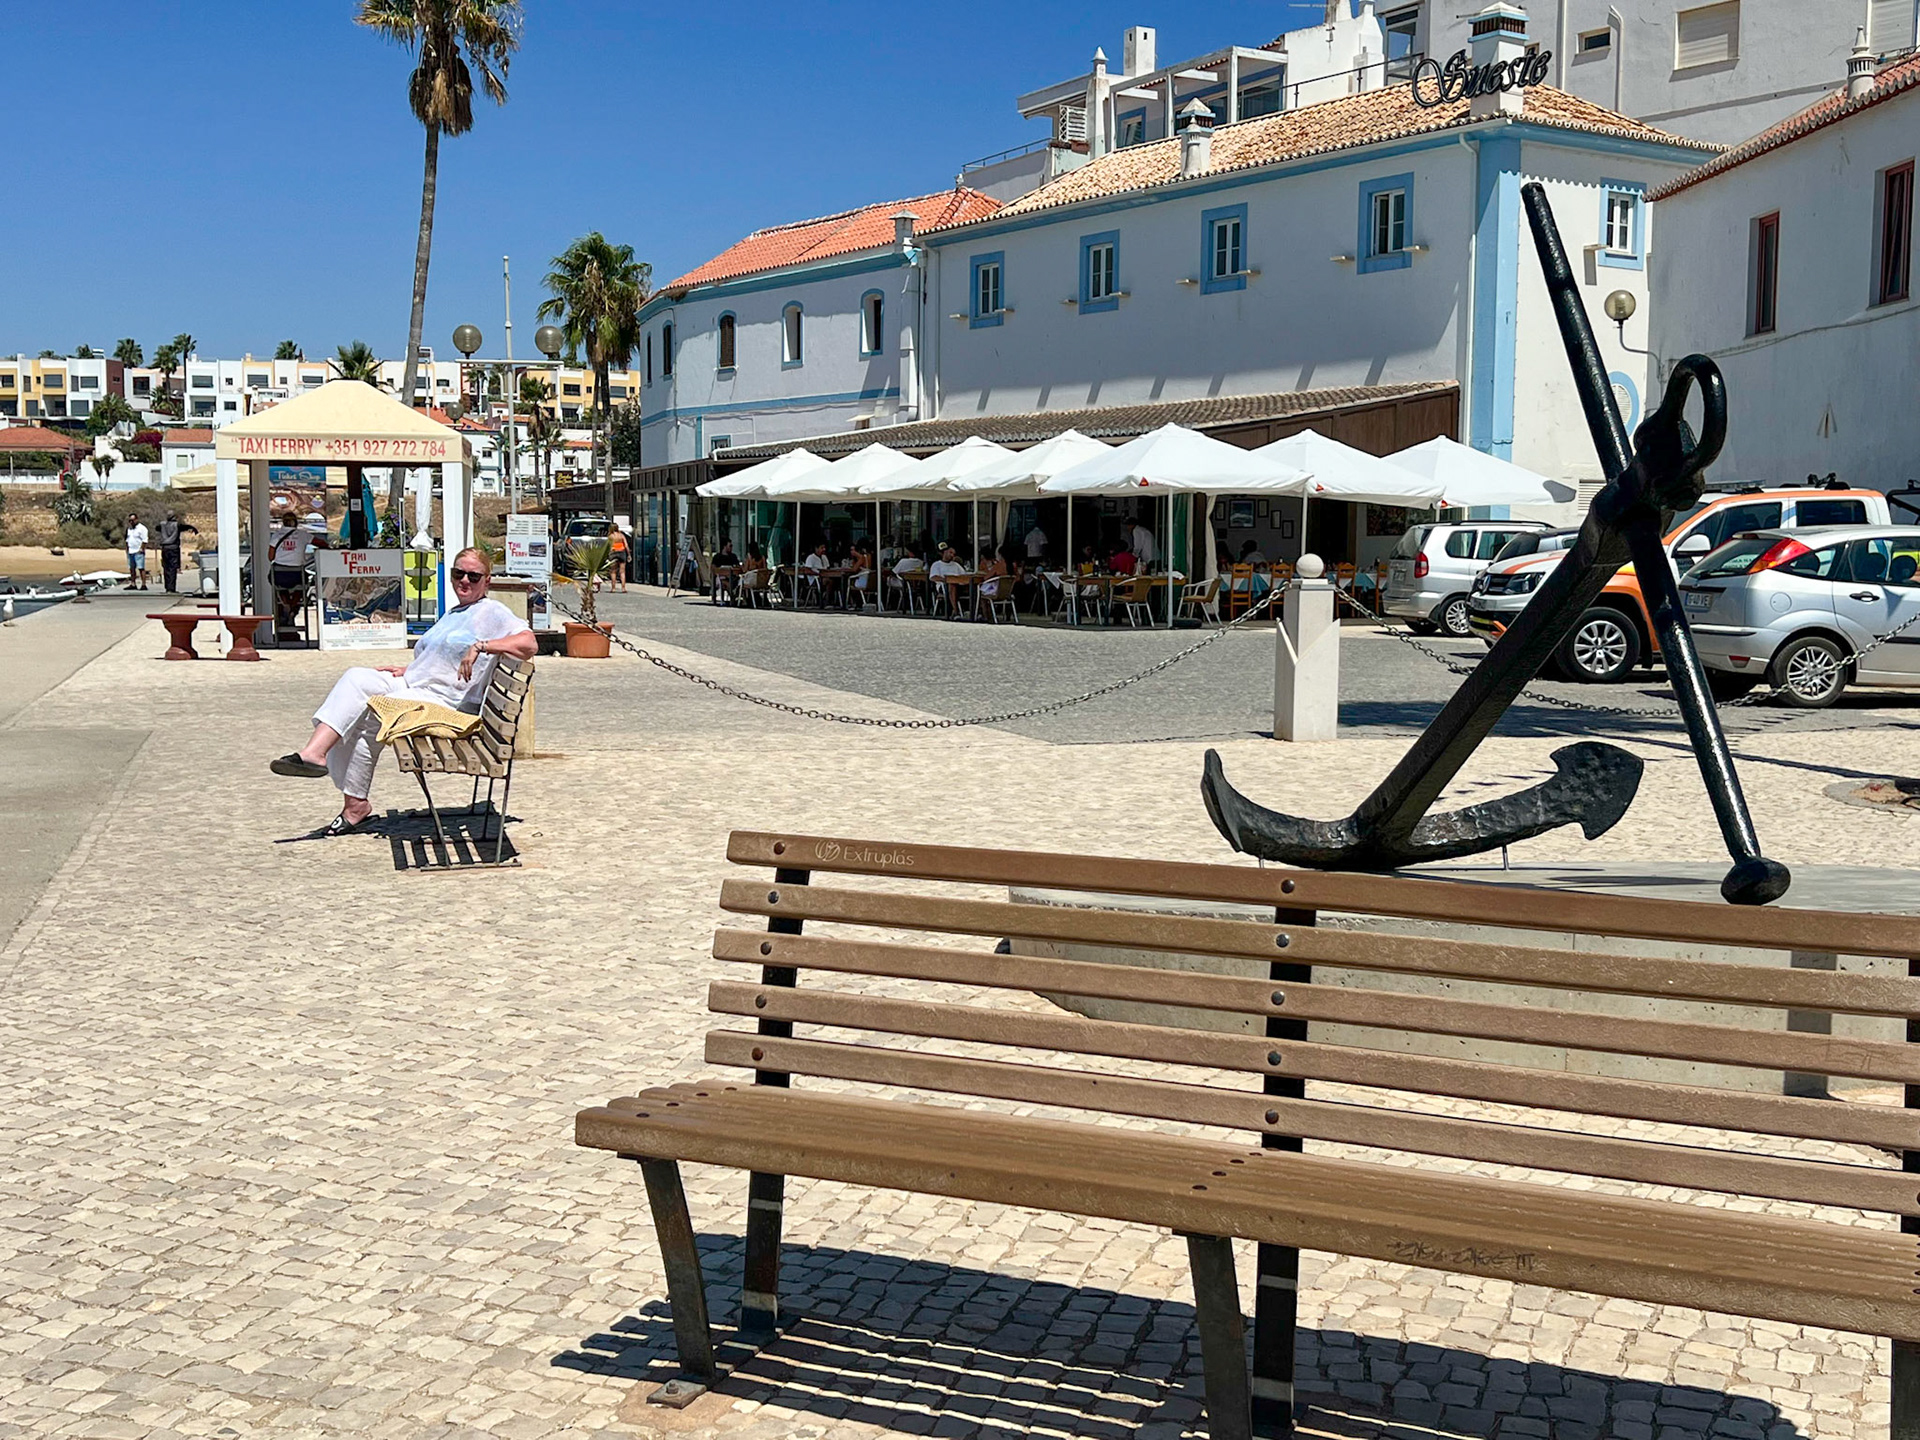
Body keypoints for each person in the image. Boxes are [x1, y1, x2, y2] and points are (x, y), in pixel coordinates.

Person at [269, 548, 536, 836]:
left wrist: (482, 646)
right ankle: (314, 754)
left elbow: (529, 643)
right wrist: (410, 669)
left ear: (487, 581)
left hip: (446, 703)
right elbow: (440, 656)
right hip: (416, 685)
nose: (465, 581)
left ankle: (354, 804)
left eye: (474, 576)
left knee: (371, 713)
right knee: (357, 677)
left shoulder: (491, 611)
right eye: (459, 574)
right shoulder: (456, 610)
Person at [155, 510, 200, 594]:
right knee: (172, 568)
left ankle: (167, 587)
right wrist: (194, 529)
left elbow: (157, 528)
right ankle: (171, 588)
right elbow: (185, 527)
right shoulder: (176, 525)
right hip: (173, 548)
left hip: (165, 548)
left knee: (166, 568)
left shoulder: (162, 524)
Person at [125, 515, 150, 591]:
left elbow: (145, 540)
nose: (131, 522)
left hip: (138, 551)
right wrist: (127, 549)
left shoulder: (142, 528)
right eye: (130, 521)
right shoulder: (129, 529)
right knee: (131, 568)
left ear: (136, 520)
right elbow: (127, 539)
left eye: (132, 520)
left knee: (141, 568)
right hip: (131, 551)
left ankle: (143, 584)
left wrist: (141, 549)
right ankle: (133, 583)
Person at [609, 523, 631, 592]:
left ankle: (613, 588)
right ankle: (623, 588)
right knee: (622, 572)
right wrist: (629, 554)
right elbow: (626, 545)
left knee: (613, 571)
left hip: (613, 553)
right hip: (621, 552)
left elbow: (608, 546)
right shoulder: (621, 535)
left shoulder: (611, 536)